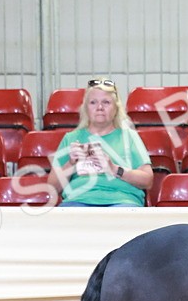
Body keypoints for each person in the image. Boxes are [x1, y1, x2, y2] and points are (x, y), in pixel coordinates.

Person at [49, 78, 153, 206]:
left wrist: (113, 168)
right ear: (86, 108)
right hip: (78, 201)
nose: (99, 107)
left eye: (106, 102)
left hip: (123, 201)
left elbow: (147, 180)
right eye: (93, 102)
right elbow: (52, 189)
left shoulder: (130, 137)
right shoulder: (70, 138)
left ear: (116, 108)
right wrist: (70, 164)